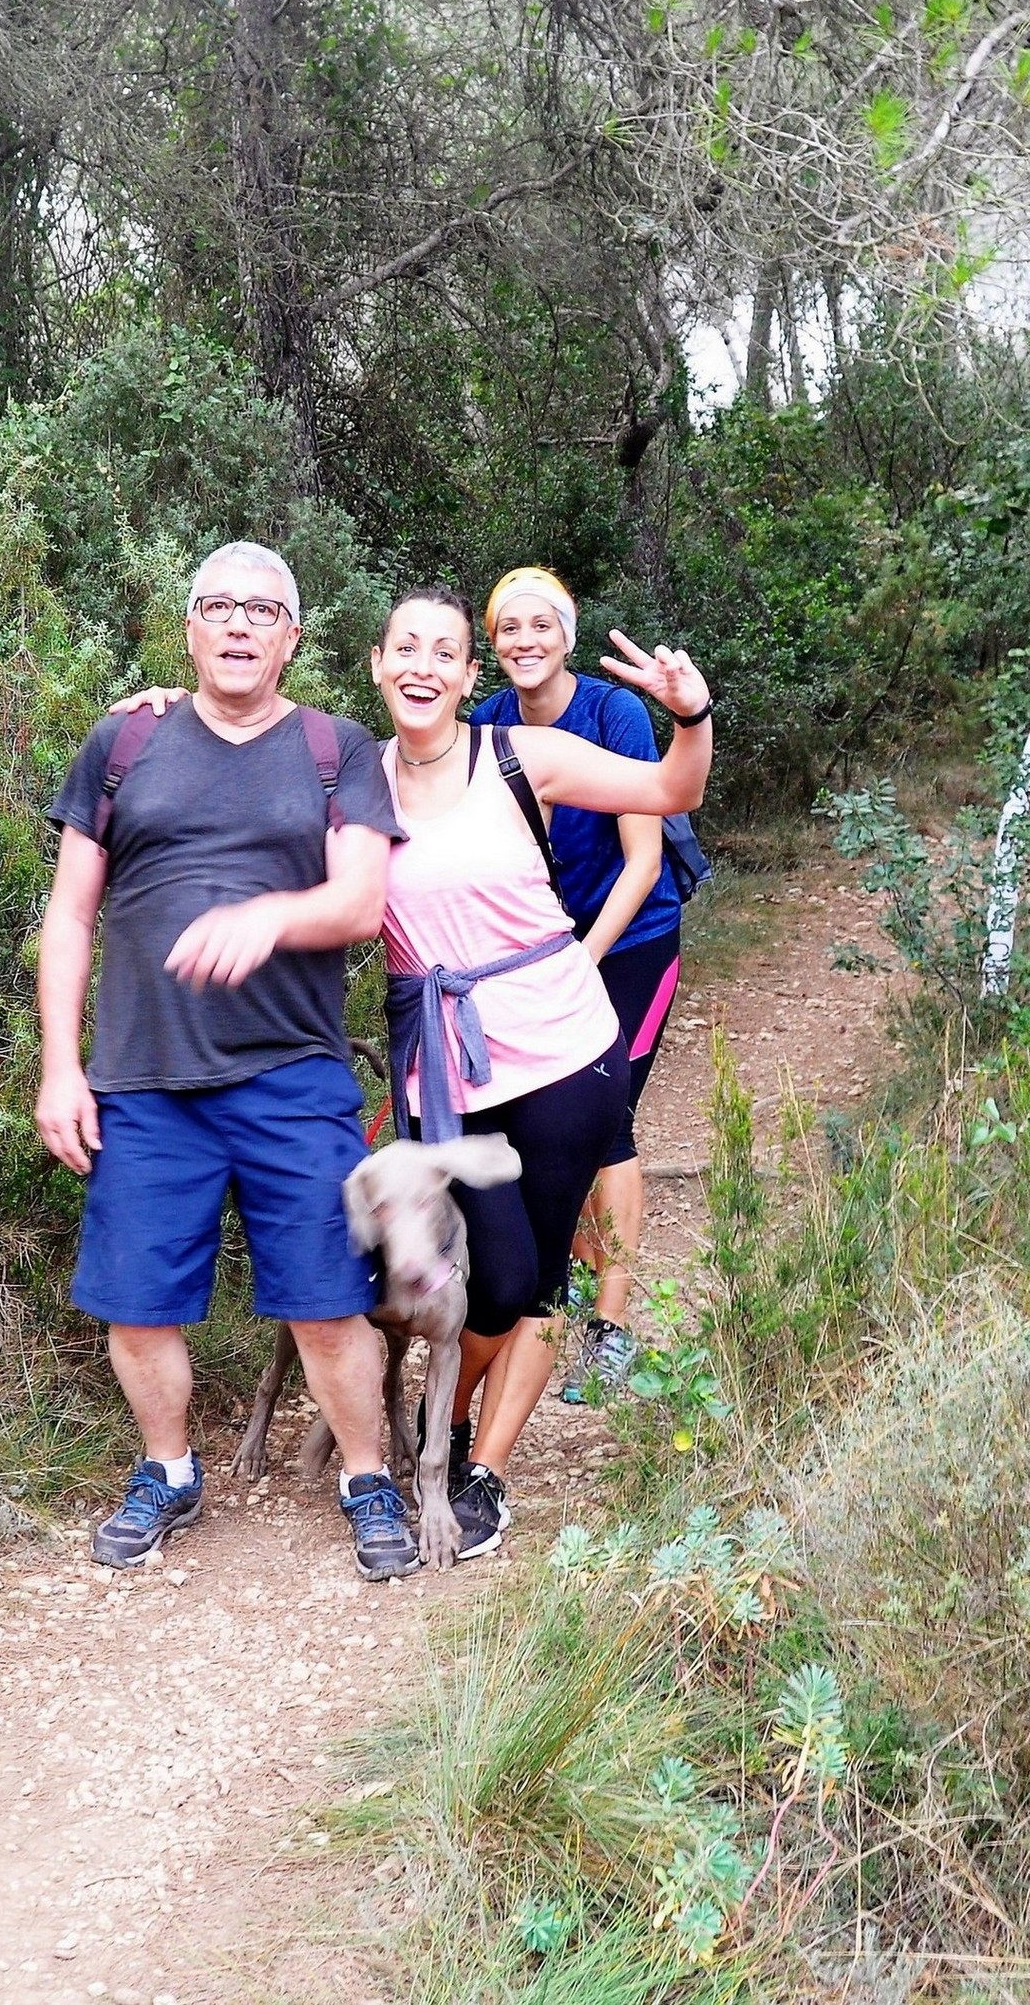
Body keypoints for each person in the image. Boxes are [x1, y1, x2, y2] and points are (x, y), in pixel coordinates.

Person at [34, 541, 425, 1582]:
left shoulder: (336, 748)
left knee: (327, 1300)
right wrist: (60, 1066)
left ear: (293, 637)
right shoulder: (125, 741)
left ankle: (367, 1479)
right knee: (137, 1302)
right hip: (141, 1078)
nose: (240, 624)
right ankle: (168, 1471)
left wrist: (267, 917)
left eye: (263, 610)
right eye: (219, 606)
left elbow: (361, 903)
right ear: (190, 629)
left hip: (292, 1075)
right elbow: (70, 915)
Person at [368, 586, 710, 1554]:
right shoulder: (351, 777)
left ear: (466, 675)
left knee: (540, 1275)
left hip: (564, 1051)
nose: (423, 666)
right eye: (406, 648)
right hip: (448, 1071)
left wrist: (692, 715)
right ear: (379, 665)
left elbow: (672, 792)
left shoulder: (520, 753)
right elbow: (245, 748)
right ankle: (443, 1421)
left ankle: (481, 1468)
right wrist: (170, 705)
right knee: (494, 1276)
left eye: (444, 651)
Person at [467, 566, 679, 1402]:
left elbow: (645, 859)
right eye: (508, 629)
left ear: (568, 634)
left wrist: (583, 961)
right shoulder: (486, 722)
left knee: (606, 1122)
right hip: (537, 957)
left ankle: (610, 1330)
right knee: (552, 1131)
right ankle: (573, 1277)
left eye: (541, 625)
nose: (525, 641)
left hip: (632, 943)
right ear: (493, 644)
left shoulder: (611, 713)